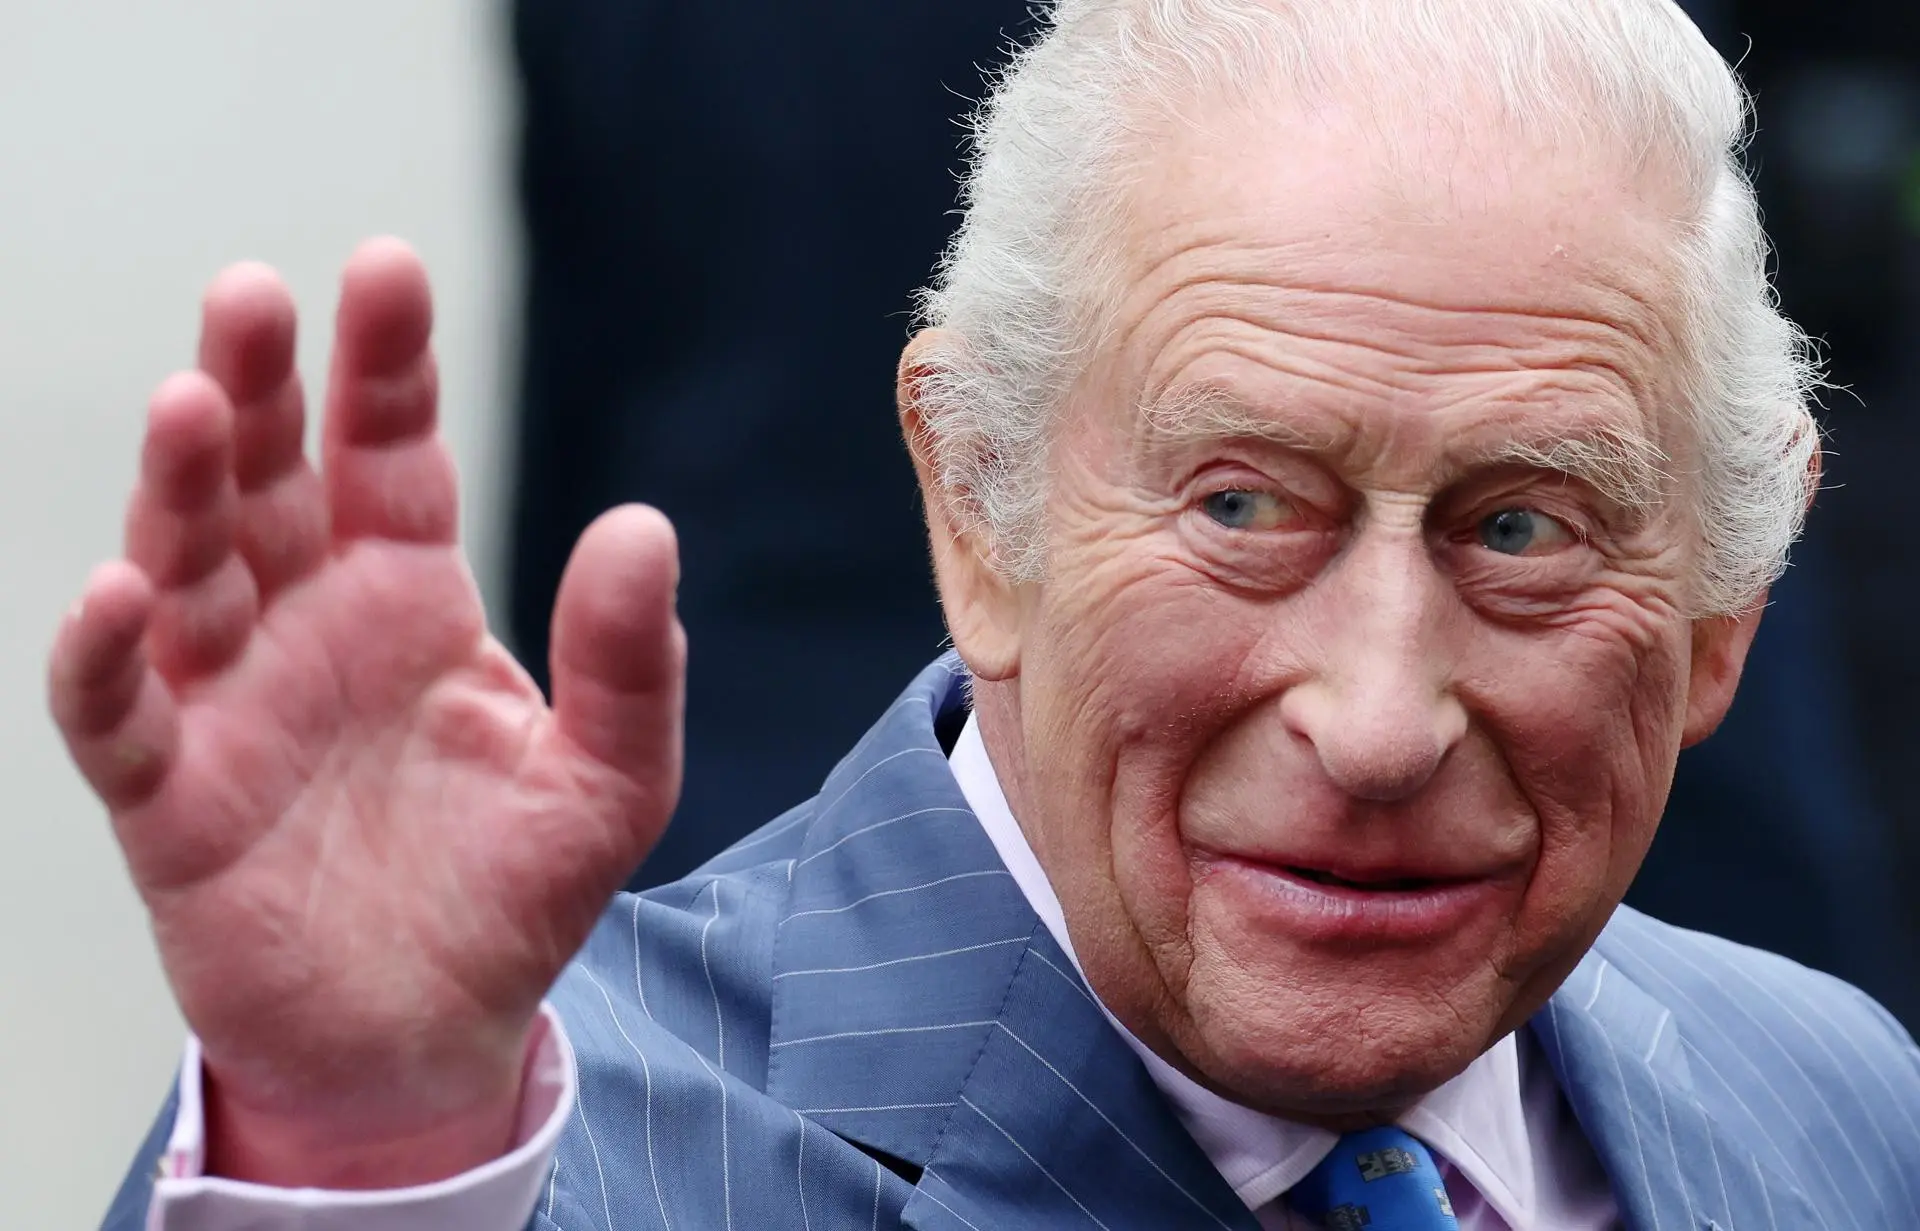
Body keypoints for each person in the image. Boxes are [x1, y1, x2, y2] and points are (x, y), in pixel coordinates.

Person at [66, 0, 1920, 1228]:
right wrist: (363, 1155)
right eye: (1242, 506)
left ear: (1724, 606)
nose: (1375, 722)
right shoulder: (529, 1153)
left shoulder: (1836, 1101)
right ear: (977, 509)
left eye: (1520, 528)